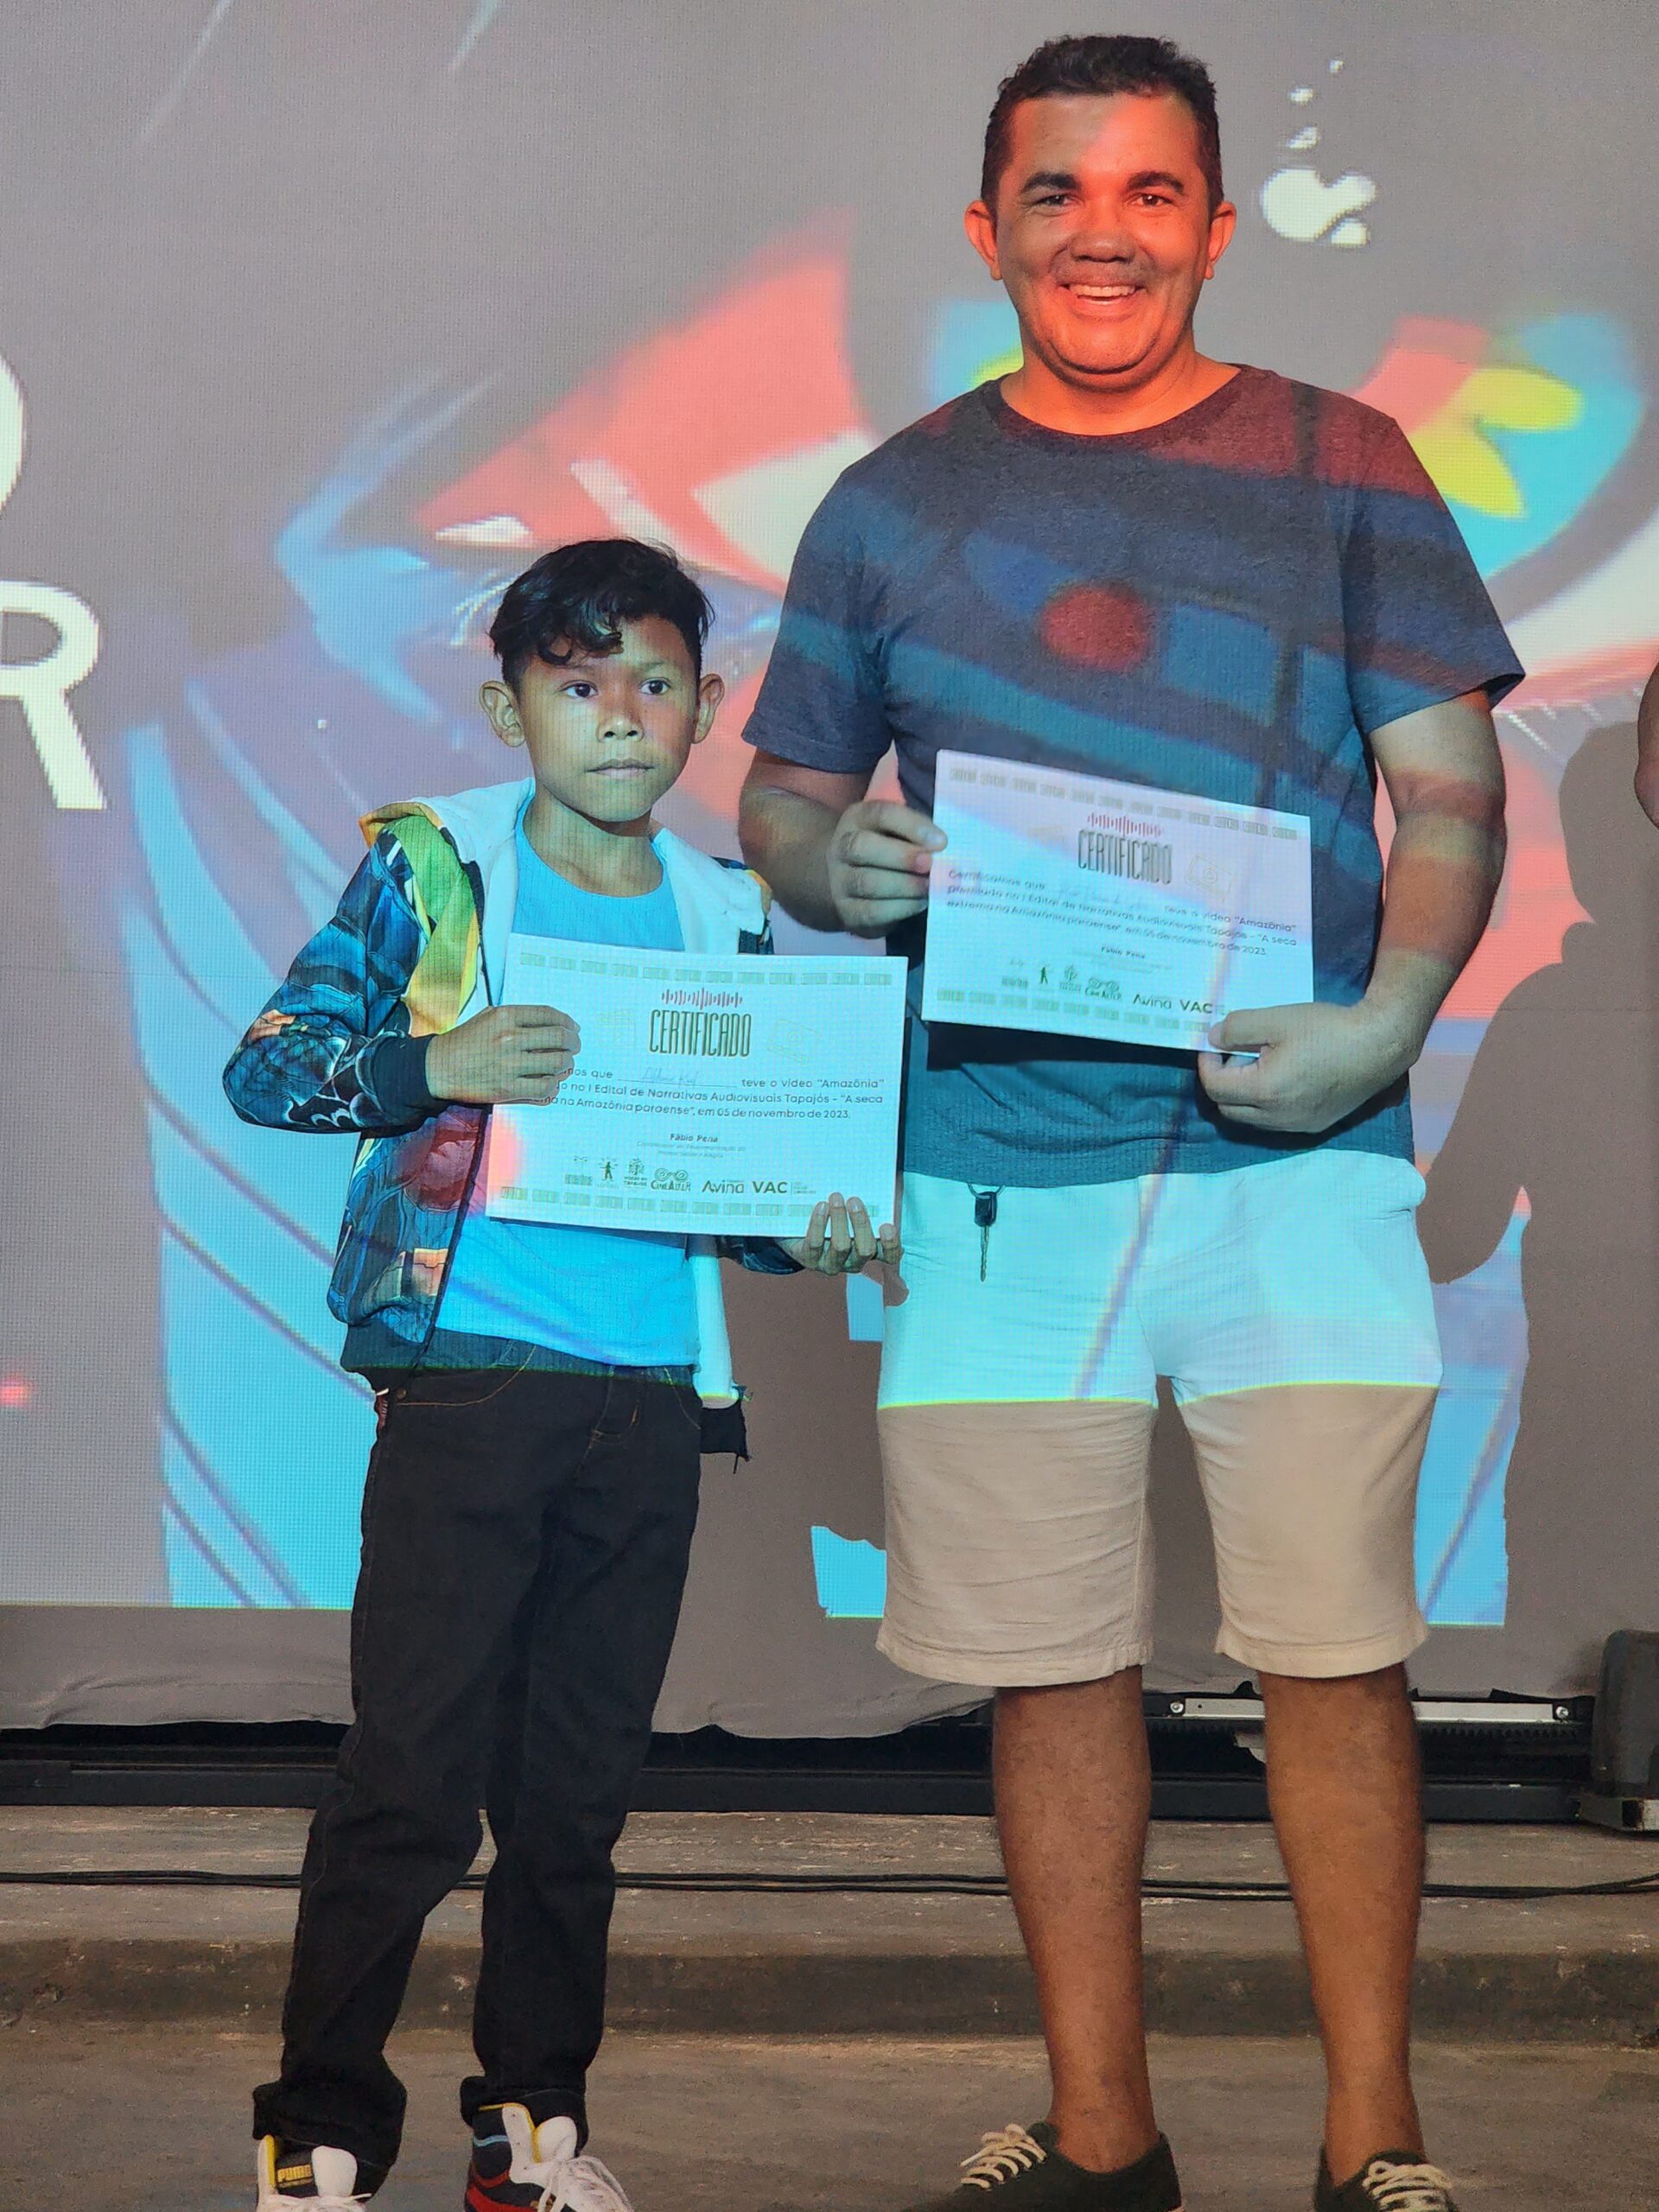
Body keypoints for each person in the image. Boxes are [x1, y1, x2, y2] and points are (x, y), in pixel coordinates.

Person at [739, 35, 1516, 2212]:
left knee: (1336, 1655)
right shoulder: (889, 498)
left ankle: (1375, 2143)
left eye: (1152, 192)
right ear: (987, 228)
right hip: (993, 1176)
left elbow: (1452, 787)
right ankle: (1104, 2140)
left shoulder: (1348, 460)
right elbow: (786, 797)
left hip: (1301, 1166)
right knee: (1044, 1663)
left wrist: (1386, 1024)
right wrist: (827, 866)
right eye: (1059, 192)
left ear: (1215, 226)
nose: (1105, 233)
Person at [224, 537, 898, 2212]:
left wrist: (804, 1227)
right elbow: (270, 1066)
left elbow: (733, 1180)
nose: (617, 716)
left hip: (651, 1396)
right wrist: (431, 1061)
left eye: (653, 684)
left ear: (707, 710)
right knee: (410, 1777)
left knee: (576, 1794)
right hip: (469, 1374)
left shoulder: (728, 908)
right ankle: (318, 2131)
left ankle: (531, 2130)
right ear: (506, 708)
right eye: (577, 683)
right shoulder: (438, 865)